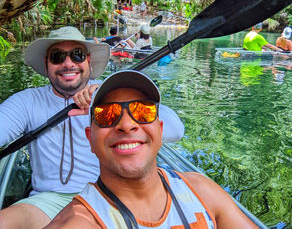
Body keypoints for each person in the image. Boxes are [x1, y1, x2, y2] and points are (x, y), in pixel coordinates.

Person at [0, 27, 184, 229]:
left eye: (77, 55)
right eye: (57, 56)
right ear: (47, 64)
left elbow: (175, 130)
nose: (68, 63)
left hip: (110, 195)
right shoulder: (28, 101)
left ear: (88, 60)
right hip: (47, 202)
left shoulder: (109, 94)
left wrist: (110, 103)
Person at [44, 70, 259, 229]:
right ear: (90, 139)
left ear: (160, 130)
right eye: (107, 114)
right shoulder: (80, 221)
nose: (127, 125)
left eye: (142, 111)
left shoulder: (202, 191)